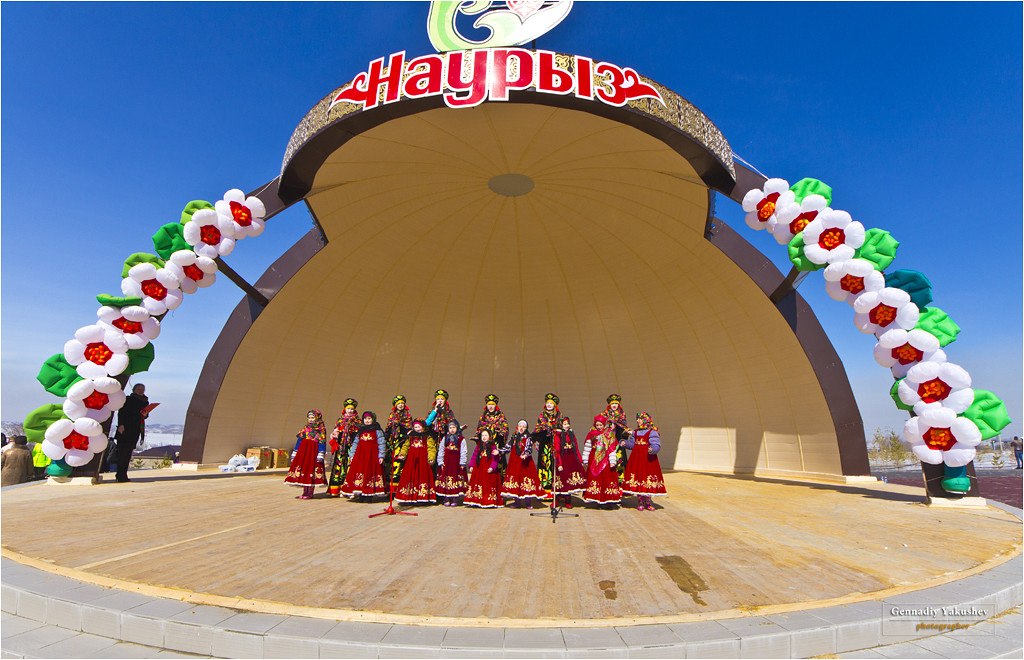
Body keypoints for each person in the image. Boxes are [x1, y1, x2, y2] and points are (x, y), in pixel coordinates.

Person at [621, 412, 667, 510]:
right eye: (637, 419)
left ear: (646, 420)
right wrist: (625, 443)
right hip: (637, 459)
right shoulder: (635, 432)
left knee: (647, 478)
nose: (638, 420)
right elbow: (633, 445)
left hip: (648, 459)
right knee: (638, 478)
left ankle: (648, 502)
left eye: (640, 419)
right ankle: (640, 501)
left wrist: (653, 449)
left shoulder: (652, 432)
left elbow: (656, 444)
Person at [341, 411, 387, 500]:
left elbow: (381, 443)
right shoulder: (361, 430)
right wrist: (352, 454)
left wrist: (381, 456)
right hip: (360, 456)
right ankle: (360, 493)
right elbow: (355, 443)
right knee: (359, 472)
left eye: (369, 418)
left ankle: (369, 494)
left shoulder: (377, 430)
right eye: (365, 418)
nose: (367, 420)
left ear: (373, 419)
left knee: (370, 472)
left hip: (372, 456)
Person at [284, 410, 327, 499]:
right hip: (304, 452)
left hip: (313, 452)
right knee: (304, 471)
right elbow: (299, 440)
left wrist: (321, 453)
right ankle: (305, 492)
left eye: (313, 418)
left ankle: (310, 492)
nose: (311, 420)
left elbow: (322, 442)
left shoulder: (321, 429)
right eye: (309, 418)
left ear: (317, 418)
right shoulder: (305, 428)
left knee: (311, 470)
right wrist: (295, 451)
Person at [394, 419, 438, 504]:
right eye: (415, 427)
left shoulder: (427, 437)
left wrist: (431, 458)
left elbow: (431, 448)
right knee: (410, 477)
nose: (417, 428)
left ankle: (422, 497)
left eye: (419, 426)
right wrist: (402, 454)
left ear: (423, 427)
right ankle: (408, 496)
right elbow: (405, 446)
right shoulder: (411, 436)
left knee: (422, 477)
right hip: (412, 461)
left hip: (423, 461)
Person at [502, 420, 544, 508]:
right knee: (516, 479)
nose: (521, 428)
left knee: (526, 479)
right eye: (520, 426)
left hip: (525, 462)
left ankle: (528, 502)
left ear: (526, 428)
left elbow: (529, 448)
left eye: (523, 426)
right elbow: (508, 447)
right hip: (514, 461)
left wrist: (525, 454)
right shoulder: (514, 436)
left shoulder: (528, 437)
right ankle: (517, 502)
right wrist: (499, 451)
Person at [582, 415, 621, 508]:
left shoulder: (609, 434)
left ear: (604, 424)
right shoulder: (591, 434)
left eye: (600, 425)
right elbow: (587, 447)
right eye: (597, 425)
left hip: (605, 460)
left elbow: (612, 449)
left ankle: (607, 499)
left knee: (606, 478)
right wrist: (585, 459)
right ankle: (595, 498)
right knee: (595, 478)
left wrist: (612, 461)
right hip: (594, 460)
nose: (599, 427)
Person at [114, 383, 150, 483]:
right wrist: (120, 424)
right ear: (134, 389)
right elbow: (121, 412)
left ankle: (123, 474)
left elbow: (144, 416)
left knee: (128, 453)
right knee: (122, 452)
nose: (140, 390)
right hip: (125, 428)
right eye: (138, 389)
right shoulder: (128, 399)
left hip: (136, 429)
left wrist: (145, 414)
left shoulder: (145, 401)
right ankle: (120, 475)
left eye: (142, 389)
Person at [327, 398, 359, 497]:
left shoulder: (357, 421)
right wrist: (334, 435)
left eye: (352, 409)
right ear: (345, 409)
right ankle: (337, 489)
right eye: (348, 408)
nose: (350, 411)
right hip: (341, 448)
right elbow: (336, 431)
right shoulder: (340, 420)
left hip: (351, 448)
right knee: (339, 468)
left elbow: (358, 435)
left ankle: (349, 489)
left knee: (350, 467)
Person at [552, 417, 586, 508]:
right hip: (562, 459)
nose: (567, 426)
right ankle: (557, 499)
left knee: (569, 481)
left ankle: (568, 499)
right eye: (565, 424)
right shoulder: (557, 435)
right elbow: (557, 450)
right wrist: (559, 463)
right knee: (560, 479)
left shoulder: (571, 433)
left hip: (571, 459)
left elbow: (576, 447)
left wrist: (580, 460)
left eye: (568, 424)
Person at [464, 429, 504, 508]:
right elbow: (474, 456)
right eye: (482, 435)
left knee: (488, 484)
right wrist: (471, 465)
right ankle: (476, 500)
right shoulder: (479, 446)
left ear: (489, 437)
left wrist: (492, 467)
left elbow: (495, 458)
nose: (484, 437)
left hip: (488, 469)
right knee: (477, 483)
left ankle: (489, 501)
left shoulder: (493, 446)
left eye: (486, 435)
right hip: (479, 468)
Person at [534, 393, 562, 498]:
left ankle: (556, 489)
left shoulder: (559, 415)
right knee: (544, 464)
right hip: (544, 444)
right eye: (548, 403)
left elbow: (561, 428)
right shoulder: (542, 415)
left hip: (555, 444)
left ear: (555, 405)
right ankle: (544, 489)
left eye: (551, 403)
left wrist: (556, 431)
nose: (549, 405)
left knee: (555, 463)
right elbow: (538, 429)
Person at [436, 418, 468, 506]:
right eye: (450, 428)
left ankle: (454, 498)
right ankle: (446, 498)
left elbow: (463, 452)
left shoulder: (461, 439)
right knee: (445, 479)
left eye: (454, 427)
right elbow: (441, 450)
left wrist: (462, 463)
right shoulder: (445, 438)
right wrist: (440, 462)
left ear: (457, 428)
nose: (452, 429)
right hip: (447, 463)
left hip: (456, 464)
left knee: (456, 479)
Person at [384, 395, 413, 484]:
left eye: (402, 403)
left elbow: (409, 428)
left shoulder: (407, 416)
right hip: (392, 441)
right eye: (398, 403)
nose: (400, 405)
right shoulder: (392, 415)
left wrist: (404, 435)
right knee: (389, 461)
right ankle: (390, 485)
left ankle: (397, 482)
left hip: (402, 442)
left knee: (399, 461)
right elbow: (388, 428)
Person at [601, 394, 630, 483]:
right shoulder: (604, 415)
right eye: (612, 403)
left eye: (616, 403)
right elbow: (599, 426)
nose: (614, 405)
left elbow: (624, 427)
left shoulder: (622, 415)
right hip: (608, 442)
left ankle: (620, 481)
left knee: (620, 459)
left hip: (619, 442)